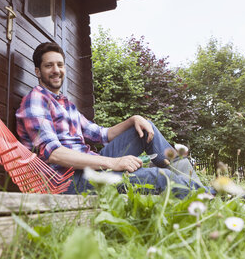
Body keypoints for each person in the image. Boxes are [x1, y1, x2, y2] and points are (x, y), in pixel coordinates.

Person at [16, 42, 213, 198]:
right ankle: (210, 195)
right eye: (49, 65)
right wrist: (113, 163)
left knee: (143, 127)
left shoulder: (66, 104)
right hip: (67, 181)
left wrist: (133, 119)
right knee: (161, 178)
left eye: (59, 65)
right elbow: (55, 155)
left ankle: (190, 179)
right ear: (38, 71)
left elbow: (102, 134)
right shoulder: (36, 100)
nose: (56, 70)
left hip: (89, 168)